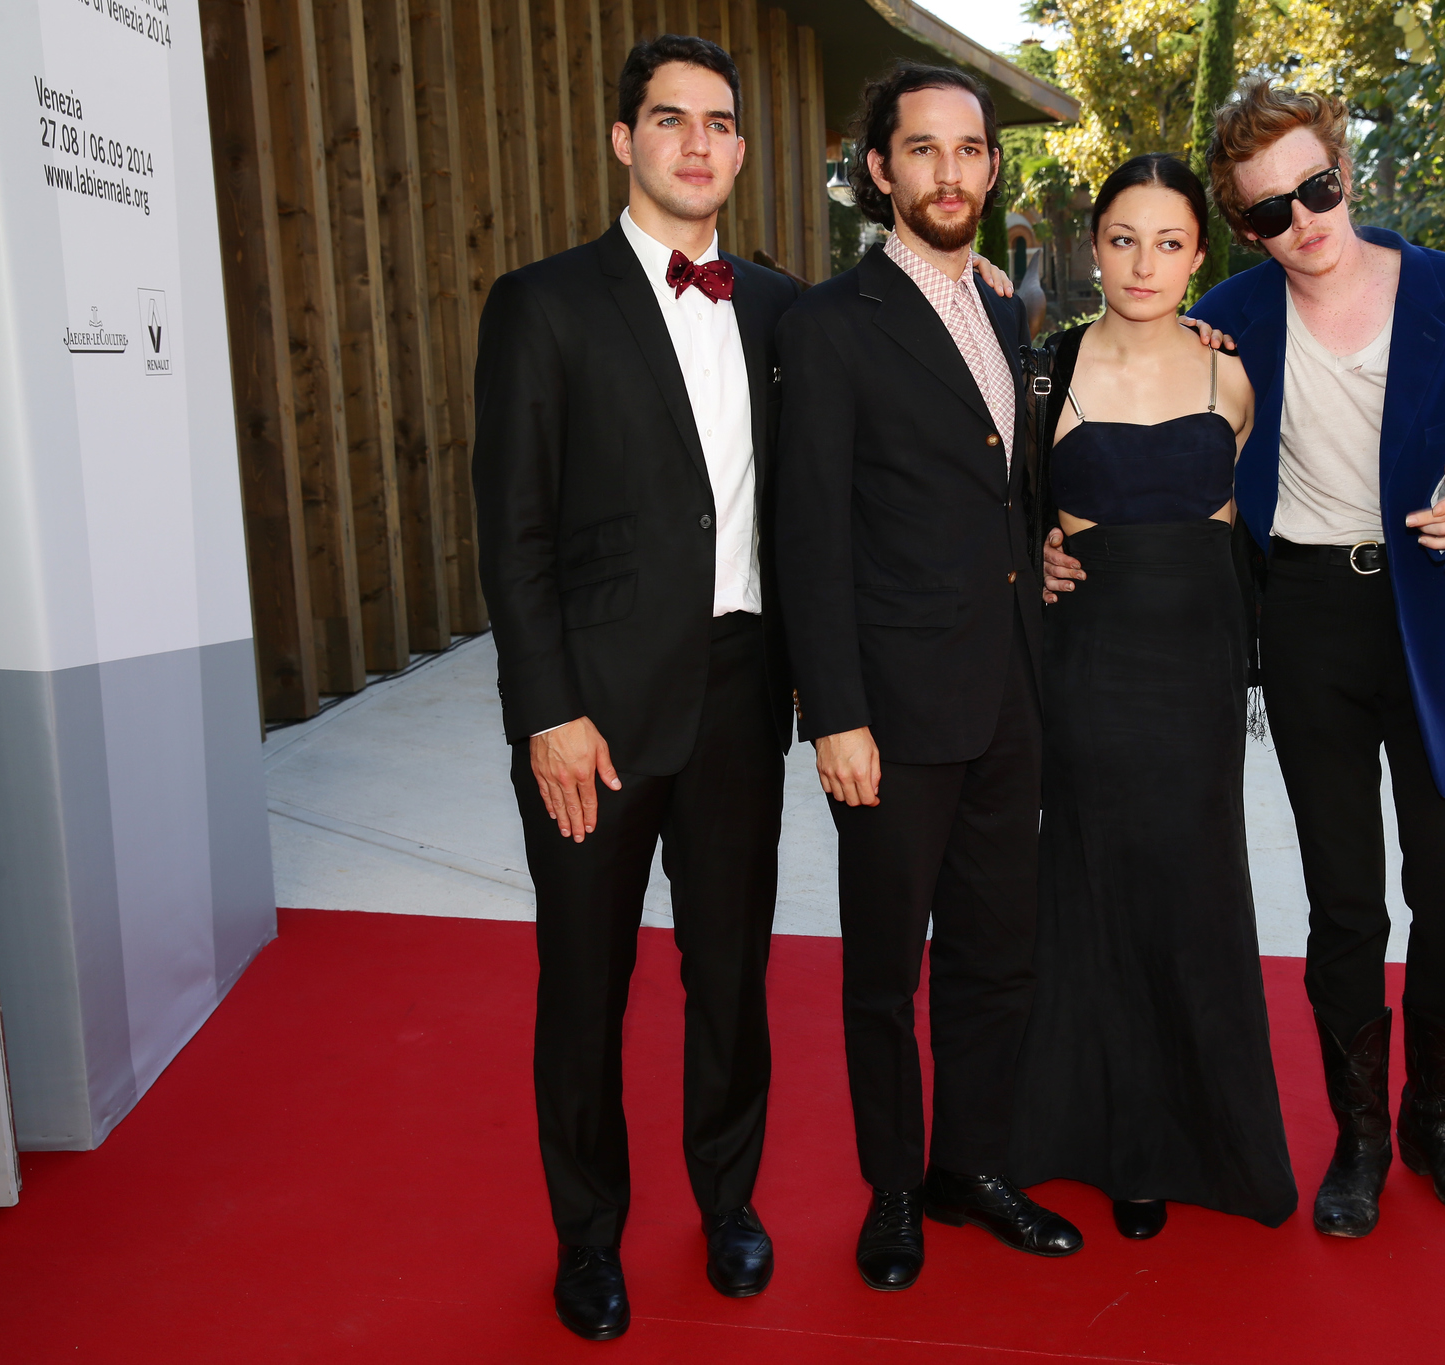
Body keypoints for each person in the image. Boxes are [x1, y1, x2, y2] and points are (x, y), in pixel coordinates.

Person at [1047, 82, 1445, 1240]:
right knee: (1342, 907)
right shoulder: (1227, 318)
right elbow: (1123, 409)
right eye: (1271, 212)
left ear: (1343, 172)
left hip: (1438, 616)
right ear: (1244, 226)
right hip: (1308, 619)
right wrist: (1047, 527)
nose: (1303, 222)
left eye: (1315, 190)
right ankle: (1360, 1137)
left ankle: (1437, 1118)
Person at [472, 35, 799, 1342]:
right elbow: (515, 535)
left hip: (740, 691)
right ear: (625, 140)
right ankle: (589, 1237)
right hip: (593, 716)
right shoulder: (542, 305)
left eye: (718, 122)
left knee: (730, 975)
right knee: (585, 986)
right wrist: (547, 710)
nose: (698, 143)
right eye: (671, 120)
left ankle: (729, 1204)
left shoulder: (779, 305)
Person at [774, 61, 1083, 1292]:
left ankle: (973, 1166)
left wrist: (1038, 556)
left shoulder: (1006, 314)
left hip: (1012, 692)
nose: (949, 172)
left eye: (970, 150)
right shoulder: (829, 325)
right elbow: (811, 536)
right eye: (923, 151)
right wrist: (832, 712)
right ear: (878, 169)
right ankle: (893, 1190)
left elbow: (996, 487)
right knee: (881, 970)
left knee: (996, 954)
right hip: (891, 715)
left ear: (990, 167)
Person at [1006, 154, 1298, 1240]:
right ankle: (1116, 1143)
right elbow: (1002, 506)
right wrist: (1033, 549)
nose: (1142, 262)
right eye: (1122, 238)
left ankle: (1208, 1138)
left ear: (1196, 256)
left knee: (1193, 888)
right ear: (1093, 246)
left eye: (1167, 241)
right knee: (1090, 887)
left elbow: (1253, 525)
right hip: (1086, 666)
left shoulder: (1231, 374)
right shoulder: (1046, 371)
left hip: (1198, 669)